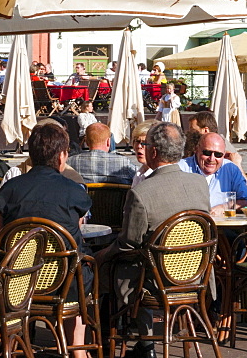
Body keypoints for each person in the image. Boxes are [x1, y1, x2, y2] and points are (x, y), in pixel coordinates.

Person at [102, 123, 211, 356]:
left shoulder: (142, 192)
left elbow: (129, 243)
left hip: (156, 279)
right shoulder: (200, 184)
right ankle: (145, 343)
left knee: (110, 265)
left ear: (153, 152)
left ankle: (130, 341)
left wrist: (100, 255)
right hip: (195, 275)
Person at [0, 122, 91, 357]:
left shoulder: (9, 189)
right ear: (62, 156)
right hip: (64, 285)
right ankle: (75, 348)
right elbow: (75, 237)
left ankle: (17, 344)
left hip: (18, 284)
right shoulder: (75, 191)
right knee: (80, 269)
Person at [178, 132, 247, 215]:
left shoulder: (231, 169)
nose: (212, 158)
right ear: (196, 149)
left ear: (224, 154)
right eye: (207, 153)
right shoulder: (180, 168)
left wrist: (225, 207)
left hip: (223, 226)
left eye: (218, 154)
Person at [68, 123, 137, 185]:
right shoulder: (123, 162)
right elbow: (140, 178)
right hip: (116, 199)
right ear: (108, 142)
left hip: (82, 198)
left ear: (86, 142)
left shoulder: (70, 162)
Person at [130, 122, 152, 188]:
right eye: (137, 141)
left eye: (144, 143)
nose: (139, 146)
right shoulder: (139, 174)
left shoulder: (157, 176)